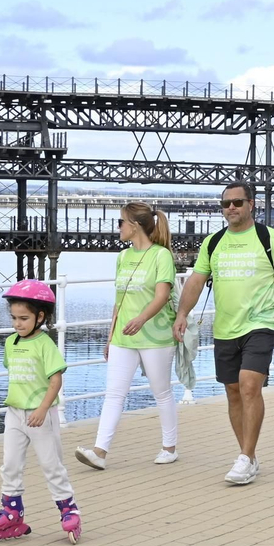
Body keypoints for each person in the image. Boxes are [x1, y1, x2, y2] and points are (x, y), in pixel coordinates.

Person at [173, 184, 274, 485]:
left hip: (262, 322)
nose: (231, 208)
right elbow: (196, 281)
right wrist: (181, 314)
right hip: (225, 327)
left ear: (250, 204)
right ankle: (250, 456)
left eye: (237, 202)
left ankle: (244, 458)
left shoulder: (269, 239)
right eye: (226, 204)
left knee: (249, 385)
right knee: (232, 390)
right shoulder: (214, 242)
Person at [75, 203, 181, 473]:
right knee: (114, 394)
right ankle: (99, 451)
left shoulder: (161, 256)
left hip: (154, 335)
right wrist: (110, 336)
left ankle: (169, 447)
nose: (118, 227)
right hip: (124, 337)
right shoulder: (122, 257)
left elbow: (162, 295)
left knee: (161, 392)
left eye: (121, 222)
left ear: (135, 225)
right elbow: (118, 301)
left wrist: (141, 319)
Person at [0, 279, 81, 544]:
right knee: (10, 464)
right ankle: (11, 511)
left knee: (51, 464)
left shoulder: (44, 345)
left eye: (24, 318)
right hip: (15, 413)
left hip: (41, 416)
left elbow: (56, 380)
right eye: (14, 318)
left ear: (41, 317)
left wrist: (41, 409)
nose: (18, 323)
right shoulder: (10, 343)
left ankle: (69, 510)